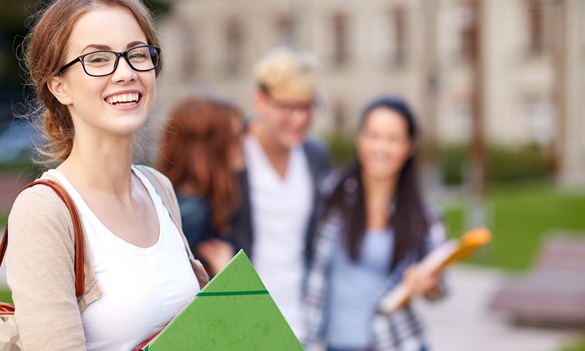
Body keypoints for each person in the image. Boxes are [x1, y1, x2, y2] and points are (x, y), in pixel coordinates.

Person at [4, 0, 208, 351]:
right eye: (97, 59)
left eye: (137, 54)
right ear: (59, 87)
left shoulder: (158, 187)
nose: (126, 72)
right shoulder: (44, 212)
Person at [302, 96, 447, 351]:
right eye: (373, 136)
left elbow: (439, 289)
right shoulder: (329, 196)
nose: (381, 147)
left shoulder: (422, 217)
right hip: (329, 344)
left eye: (393, 139)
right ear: (360, 139)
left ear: (409, 147)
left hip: (396, 343)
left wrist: (429, 285)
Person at [229, 46, 331, 340]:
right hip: (243, 321)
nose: (300, 119)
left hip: (301, 323)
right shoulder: (234, 153)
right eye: (288, 107)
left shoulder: (314, 155)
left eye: (308, 107)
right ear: (259, 100)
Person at [155, 93, 244, 275]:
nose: (243, 145)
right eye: (235, 139)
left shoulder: (178, 200)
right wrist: (226, 273)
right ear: (209, 149)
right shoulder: (192, 212)